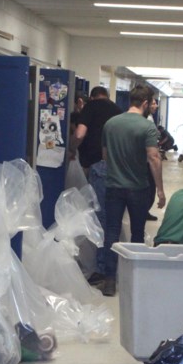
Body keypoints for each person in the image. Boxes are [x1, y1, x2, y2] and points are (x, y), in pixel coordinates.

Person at [99, 84, 166, 296]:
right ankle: (134, 279)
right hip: (138, 187)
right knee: (137, 232)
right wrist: (161, 190)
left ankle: (110, 280)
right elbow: (154, 158)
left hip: (113, 186)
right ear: (145, 103)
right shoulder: (146, 127)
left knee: (111, 232)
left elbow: (105, 156)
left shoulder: (110, 124)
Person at [72, 86, 123, 286]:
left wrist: (70, 149)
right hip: (117, 170)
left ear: (92, 97)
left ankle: (101, 269)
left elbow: (80, 133)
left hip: (96, 167)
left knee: (100, 218)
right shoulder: (117, 111)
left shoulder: (90, 107)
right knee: (113, 219)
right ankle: (113, 266)